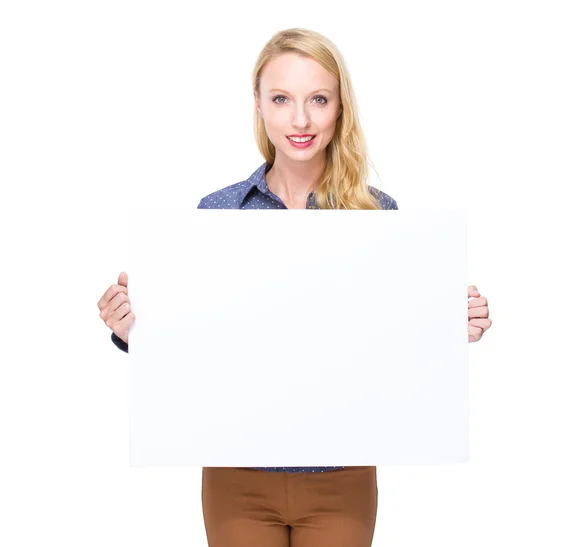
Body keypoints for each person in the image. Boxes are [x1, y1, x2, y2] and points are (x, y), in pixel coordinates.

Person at [97, 27, 492, 547]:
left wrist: (444, 328)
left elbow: (387, 349)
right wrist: (132, 329)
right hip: (236, 477)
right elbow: (199, 344)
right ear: (258, 105)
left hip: (342, 477)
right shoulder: (218, 213)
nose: (300, 120)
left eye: (318, 99)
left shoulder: (376, 215)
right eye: (282, 99)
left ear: (340, 108)